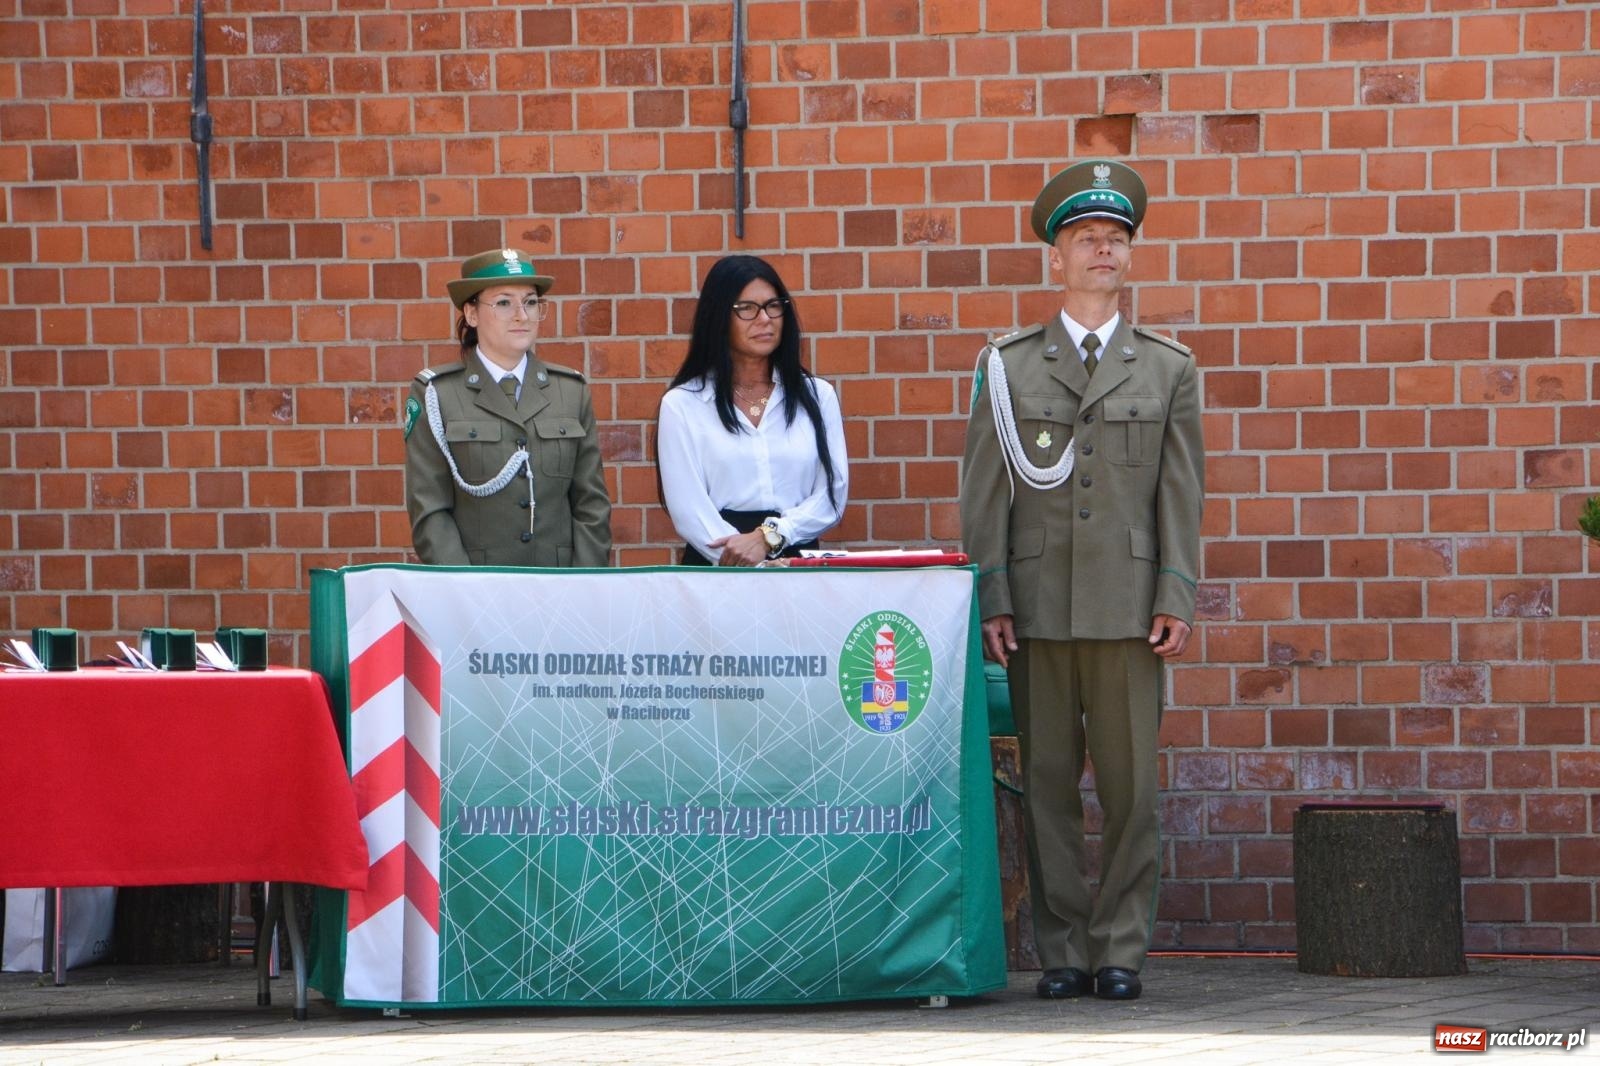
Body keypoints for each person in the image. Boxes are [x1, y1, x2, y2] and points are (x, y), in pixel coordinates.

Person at [959, 160, 1205, 1002]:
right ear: (1055, 258)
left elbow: (1181, 492)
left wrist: (1175, 591)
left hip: (1130, 607)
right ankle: (1063, 947)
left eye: (1115, 238)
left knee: (1133, 791)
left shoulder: (1168, 367)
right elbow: (985, 492)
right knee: (1049, 788)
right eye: (1086, 238)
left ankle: (1122, 949)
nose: (1103, 249)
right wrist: (994, 594)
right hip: (1037, 608)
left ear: (1129, 256)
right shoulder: (1008, 365)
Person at [404, 248, 612, 567]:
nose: (522, 315)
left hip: (559, 585)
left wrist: (581, 584)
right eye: (504, 303)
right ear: (471, 314)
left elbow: (591, 505)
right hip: (475, 585)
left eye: (530, 302)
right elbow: (430, 509)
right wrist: (467, 587)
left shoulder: (569, 390)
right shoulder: (437, 394)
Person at [656, 255, 848, 566]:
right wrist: (746, 561)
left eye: (773, 305)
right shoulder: (683, 405)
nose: (765, 319)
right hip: (718, 566)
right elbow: (688, 509)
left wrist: (770, 537)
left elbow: (832, 494)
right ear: (718, 317)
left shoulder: (817, 397)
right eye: (746, 308)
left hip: (796, 562)